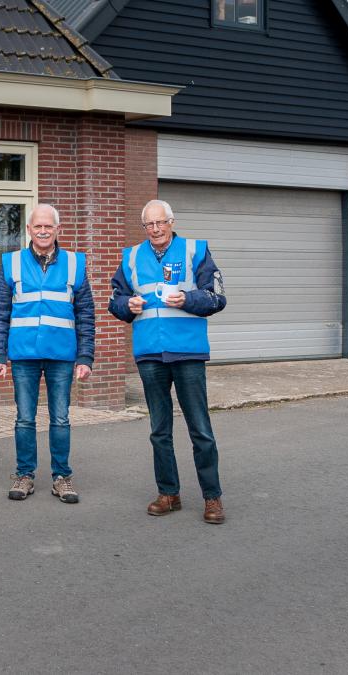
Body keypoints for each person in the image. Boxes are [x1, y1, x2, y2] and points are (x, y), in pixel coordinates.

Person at [108, 199, 228, 524]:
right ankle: (168, 493)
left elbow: (217, 296)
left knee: (200, 429)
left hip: (187, 351)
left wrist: (189, 299)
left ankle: (212, 498)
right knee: (159, 430)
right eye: (149, 224)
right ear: (143, 226)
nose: (156, 229)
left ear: (172, 222)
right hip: (149, 353)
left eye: (161, 223)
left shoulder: (195, 250)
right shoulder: (131, 256)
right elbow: (114, 299)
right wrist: (126, 305)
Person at [0, 204, 95, 504]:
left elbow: (86, 313)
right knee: (24, 419)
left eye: (49, 226)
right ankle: (24, 475)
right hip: (23, 355)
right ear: (29, 230)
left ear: (57, 229)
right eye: (38, 226)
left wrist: (85, 357)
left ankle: (62, 477)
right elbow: (0, 312)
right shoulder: (12, 263)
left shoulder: (75, 264)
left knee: (60, 419)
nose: (44, 231)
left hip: (62, 355)